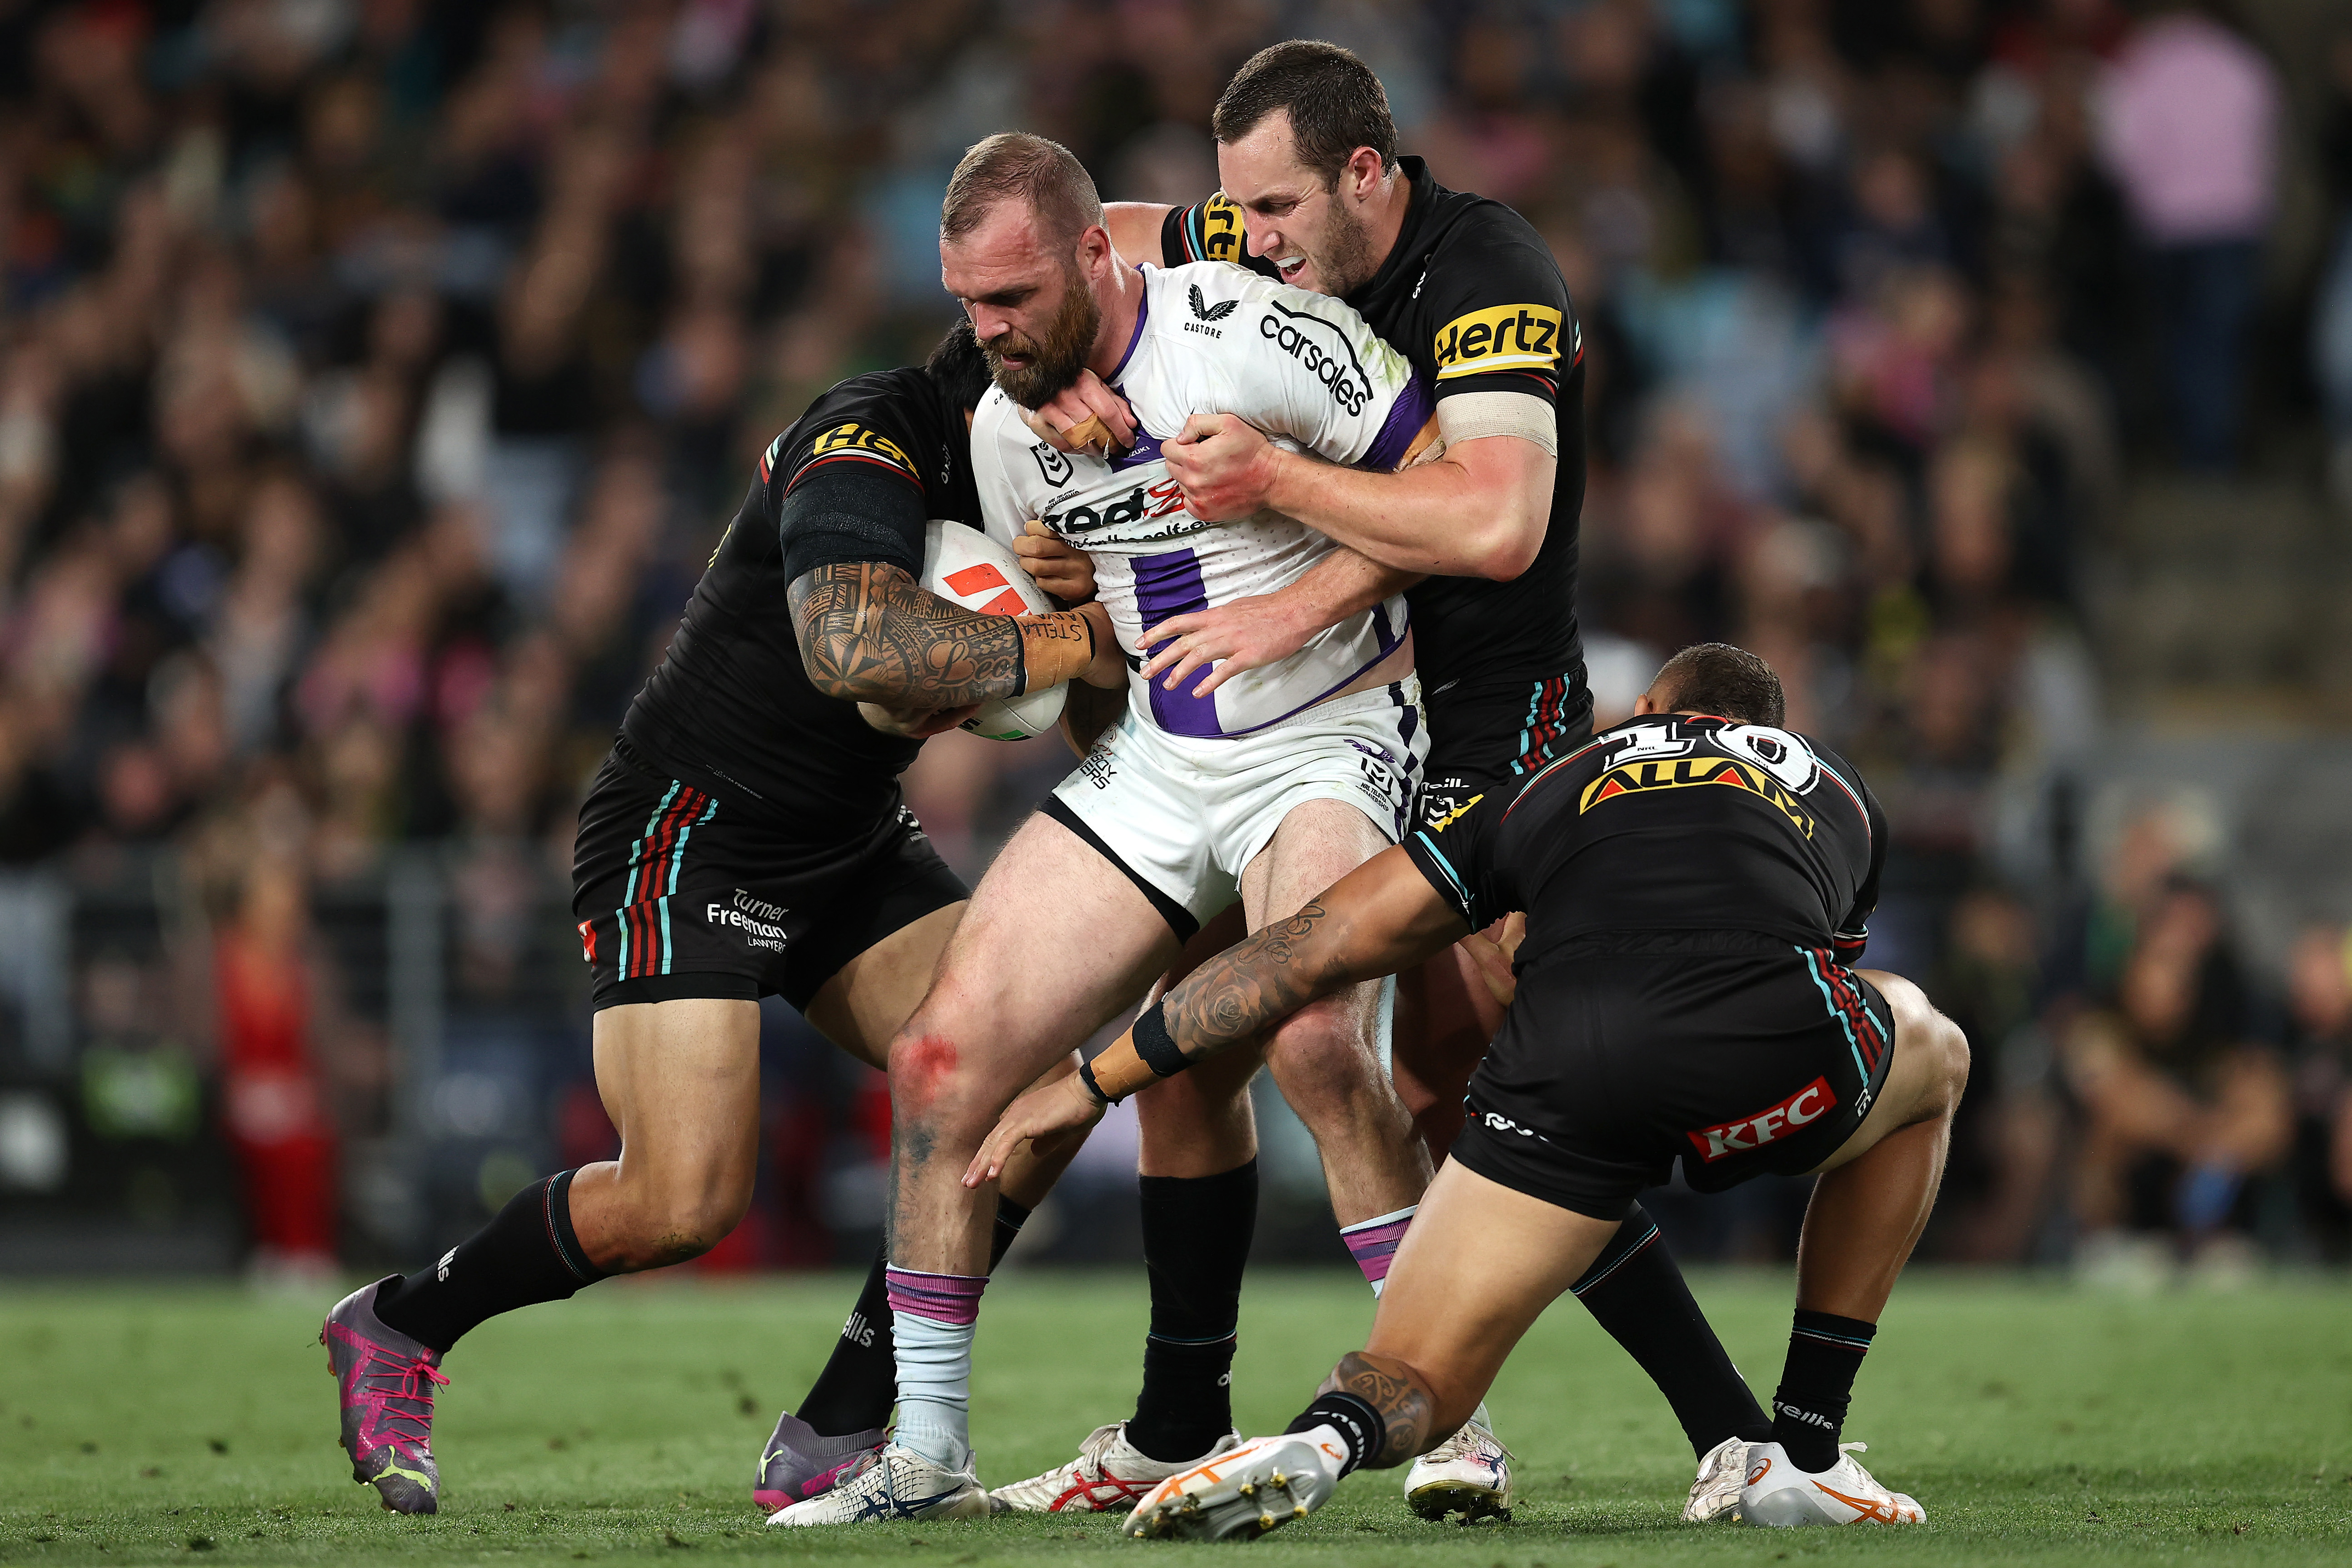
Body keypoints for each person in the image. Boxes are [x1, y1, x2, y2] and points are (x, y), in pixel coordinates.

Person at [996, 40, 1770, 1523]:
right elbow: (1138, 241)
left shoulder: (1491, 278)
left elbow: (1493, 523)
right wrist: (1059, 362)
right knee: (1255, 1057)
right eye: (1243, 211)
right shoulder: (1252, 216)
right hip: (1310, 718)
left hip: (1483, 713)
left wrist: (1270, 491)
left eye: (1277, 210)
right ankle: (1181, 1420)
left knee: (1468, 1081)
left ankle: (1716, 1431)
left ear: (1369, 173)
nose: (1255, 241)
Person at [317, 323, 1122, 1515]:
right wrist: (1063, 638)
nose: (1106, 426)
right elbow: (859, 647)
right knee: (684, 1199)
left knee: (1029, 1088)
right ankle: (398, 1321)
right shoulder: (867, 435)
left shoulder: (1057, 502)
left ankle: (841, 1420)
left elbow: (1096, 735)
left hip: (845, 841)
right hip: (689, 829)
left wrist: (1094, 654)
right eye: (1083, 404)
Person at [766, 130, 1444, 1527]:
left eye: (1013, 299)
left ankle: (1449, 1414)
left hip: (1330, 733)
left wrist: (1286, 587)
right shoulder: (1006, 435)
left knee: (1318, 1042)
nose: (988, 335)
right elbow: (1101, 678)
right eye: (965, 304)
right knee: (944, 1061)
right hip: (1162, 759)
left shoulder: (1258, 334)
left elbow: (1443, 497)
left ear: (1097, 252)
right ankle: (925, 1453)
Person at [974, 642, 1972, 1536]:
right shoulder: (1832, 787)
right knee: (1931, 1048)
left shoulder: (1547, 788)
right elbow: (1826, 964)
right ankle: (1802, 1451)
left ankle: (1328, 1434)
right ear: (1763, 733)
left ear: (1638, 722)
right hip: (1771, 1051)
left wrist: (1097, 1078)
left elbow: (1304, 949)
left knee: (1417, 1375)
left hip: (1564, 1072)